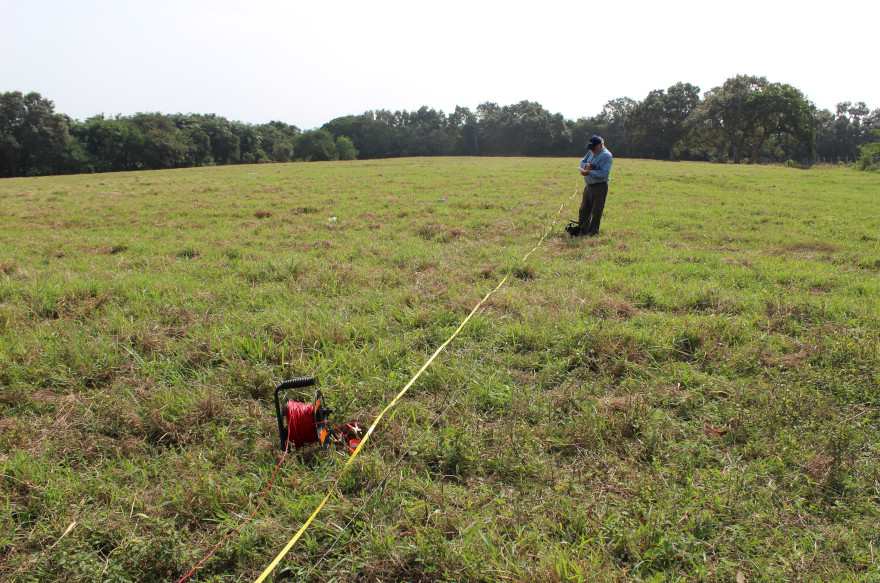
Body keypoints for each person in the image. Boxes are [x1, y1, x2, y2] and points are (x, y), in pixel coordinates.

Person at [577, 135, 613, 237]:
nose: (592, 150)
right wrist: (586, 166)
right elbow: (583, 161)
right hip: (588, 186)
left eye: (594, 148)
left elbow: (605, 173)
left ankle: (593, 233)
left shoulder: (606, 156)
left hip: (599, 187)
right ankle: (582, 231)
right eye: (590, 148)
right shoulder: (590, 152)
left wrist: (590, 172)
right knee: (584, 210)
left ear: (600, 145)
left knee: (596, 211)